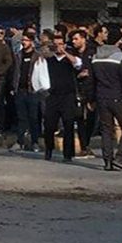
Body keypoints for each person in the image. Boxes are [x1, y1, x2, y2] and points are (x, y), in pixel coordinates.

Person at [92, 37, 122, 171]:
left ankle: (107, 161)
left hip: (101, 97)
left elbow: (92, 81)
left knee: (106, 129)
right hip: (118, 97)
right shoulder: (120, 57)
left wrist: (91, 98)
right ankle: (121, 158)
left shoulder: (96, 57)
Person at [40, 33, 82, 162]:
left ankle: (68, 154)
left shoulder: (70, 59)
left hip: (68, 96)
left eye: (61, 44)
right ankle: (49, 149)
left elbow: (77, 64)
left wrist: (66, 53)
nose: (58, 47)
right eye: (56, 45)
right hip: (53, 96)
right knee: (49, 125)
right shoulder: (49, 61)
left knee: (68, 125)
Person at [13, 31, 42, 152]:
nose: (23, 43)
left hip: (33, 91)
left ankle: (35, 142)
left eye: (25, 40)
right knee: (21, 118)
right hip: (20, 90)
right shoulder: (18, 55)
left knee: (34, 117)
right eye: (22, 41)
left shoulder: (37, 56)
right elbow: (15, 72)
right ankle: (20, 142)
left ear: (31, 42)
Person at [69, 29, 97, 157]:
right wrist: (77, 75)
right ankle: (83, 146)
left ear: (83, 39)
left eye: (76, 39)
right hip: (77, 90)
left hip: (91, 90)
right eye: (73, 39)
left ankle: (87, 143)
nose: (74, 42)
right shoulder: (72, 54)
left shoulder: (92, 52)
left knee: (91, 119)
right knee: (79, 118)